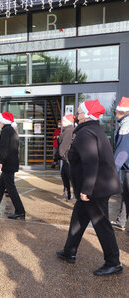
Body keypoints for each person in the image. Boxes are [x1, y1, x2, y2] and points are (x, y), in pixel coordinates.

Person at [56, 99, 123, 276]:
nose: (77, 115)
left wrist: (86, 189)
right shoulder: (94, 130)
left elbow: (91, 163)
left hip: (94, 189)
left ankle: (114, 262)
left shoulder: (86, 133)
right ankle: (69, 251)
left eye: (79, 112)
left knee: (102, 225)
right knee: (78, 219)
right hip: (97, 186)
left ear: (86, 115)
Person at [0, 112, 25, 220]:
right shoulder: (10, 130)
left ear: (3, 121)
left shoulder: (6, 131)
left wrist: (0, 161)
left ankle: (20, 211)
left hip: (8, 164)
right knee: (1, 187)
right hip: (10, 163)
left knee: (11, 189)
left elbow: (5, 148)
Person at [110, 96, 129, 234]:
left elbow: (122, 151)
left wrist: (113, 171)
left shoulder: (125, 127)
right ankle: (121, 221)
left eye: (116, 111)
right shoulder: (124, 124)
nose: (115, 113)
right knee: (126, 195)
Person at [55, 114, 75, 201]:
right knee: (64, 175)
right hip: (66, 158)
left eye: (63, 120)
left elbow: (62, 147)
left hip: (68, 159)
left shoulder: (69, 131)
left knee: (72, 178)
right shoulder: (67, 130)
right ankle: (67, 193)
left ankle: (75, 196)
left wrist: (57, 156)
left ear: (67, 122)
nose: (61, 122)